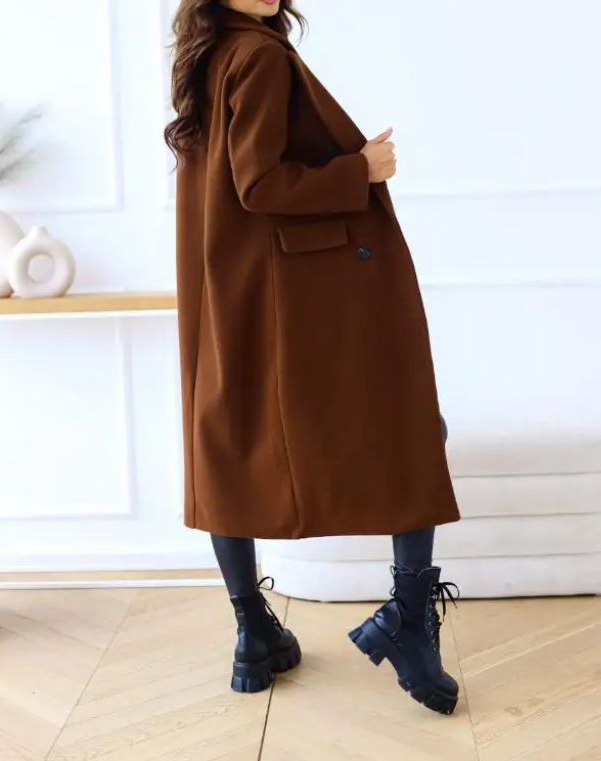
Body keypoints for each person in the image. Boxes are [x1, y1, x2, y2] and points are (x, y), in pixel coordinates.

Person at [166, 0, 461, 716]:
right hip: (295, 292)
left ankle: (253, 633)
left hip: (232, 286)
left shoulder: (211, 53)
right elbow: (260, 184)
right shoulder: (260, 56)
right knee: (409, 429)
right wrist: (360, 169)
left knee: (228, 441)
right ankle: (407, 618)